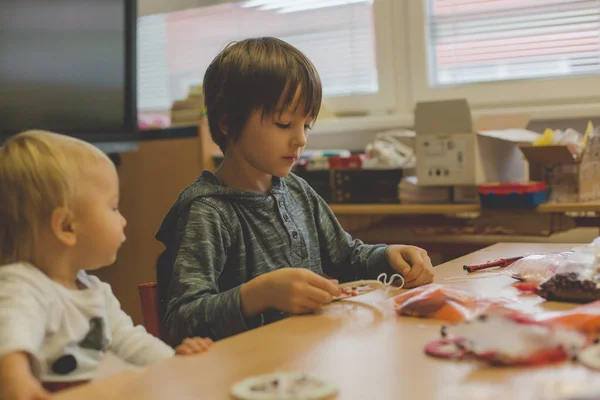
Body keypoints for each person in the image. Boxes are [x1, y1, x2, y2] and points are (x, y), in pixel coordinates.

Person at [156, 37, 434, 346]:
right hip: (246, 376)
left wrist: (389, 256)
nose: (300, 139)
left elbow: (347, 258)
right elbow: (180, 321)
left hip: (308, 359)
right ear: (226, 122)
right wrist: (258, 295)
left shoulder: (297, 190)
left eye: (307, 125)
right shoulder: (208, 211)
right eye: (284, 123)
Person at [0, 131, 212, 400]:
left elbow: (130, 341)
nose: (122, 220)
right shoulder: (20, 286)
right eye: (113, 207)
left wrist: (173, 361)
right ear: (66, 227)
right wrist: (14, 379)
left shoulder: (94, 290)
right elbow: (10, 335)